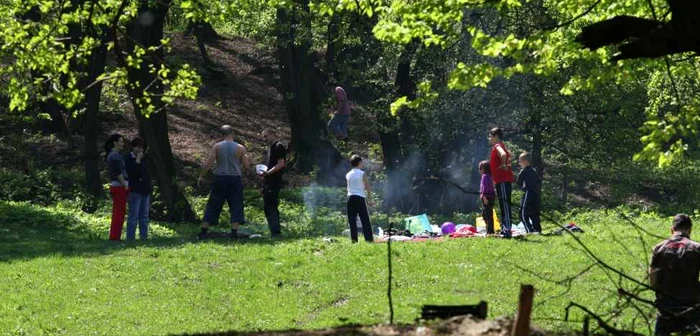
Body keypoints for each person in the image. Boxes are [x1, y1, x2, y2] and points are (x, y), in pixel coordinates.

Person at [198, 125, 251, 240]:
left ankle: (203, 232)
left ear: (222, 134)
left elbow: (209, 161)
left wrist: (201, 175)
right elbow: (247, 166)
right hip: (235, 179)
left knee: (213, 204)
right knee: (236, 205)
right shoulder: (240, 148)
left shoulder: (217, 146)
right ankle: (234, 233)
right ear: (233, 133)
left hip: (220, 178)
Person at [649, 214, 700, 335]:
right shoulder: (697, 248)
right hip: (691, 305)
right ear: (690, 230)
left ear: (672, 229)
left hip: (666, 307)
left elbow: (653, 282)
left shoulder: (659, 248)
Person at [489, 127, 515, 238]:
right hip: (501, 181)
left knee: (505, 205)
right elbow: (510, 155)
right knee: (504, 205)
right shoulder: (501, 145)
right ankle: (505, 229)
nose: (489, 139)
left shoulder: (498, 146)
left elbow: (504, 154)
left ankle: (507, 230)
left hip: (503, 180)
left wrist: (504, 164)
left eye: (491, 136)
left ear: (496, 136)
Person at [259, 128, 286, 238]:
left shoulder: (279, 146)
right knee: (267, 206)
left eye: (266, 136)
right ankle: (273, 231)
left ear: (273, 134)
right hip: (268, 181)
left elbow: (281, 164)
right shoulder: (270, 148)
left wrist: (268, 173)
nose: (264, 139)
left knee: (271, 206)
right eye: (263, 137)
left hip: (274, 181)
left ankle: (276, 233)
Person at [124, 137, 151, 241]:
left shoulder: (145, 159)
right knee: (133, 215)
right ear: (133, 147)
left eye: (142, 148)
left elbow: (146, 173)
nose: (140, 150)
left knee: (144, 216)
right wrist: (138, 160)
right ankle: (130, 238)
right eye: (138, 147)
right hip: (134, 190)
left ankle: (144, 237)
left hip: (145, 190)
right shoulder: (128, 159)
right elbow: (132, 173)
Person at [105, 134, 129, 241]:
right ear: (115, 143)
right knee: (119, 213)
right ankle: (114, 237)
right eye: (121, 142)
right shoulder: (114, 156)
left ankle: (115, 236)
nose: (123, 144)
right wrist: (124, 183)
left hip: (118, 186)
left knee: (119, 212)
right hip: (119, 187)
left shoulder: (115, 155)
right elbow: (117, 172)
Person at [346, 155, 374, 243]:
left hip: (350, 198)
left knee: (352, 220)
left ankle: (354, 240)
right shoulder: (362, 173)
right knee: (365, 219)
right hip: (359, 198)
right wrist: (370, 199)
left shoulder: (348, 174)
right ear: (359, 163)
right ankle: (369, 239)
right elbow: (368, 187)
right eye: (362, 161)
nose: (363, 163)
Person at [517, 152, 542, 234]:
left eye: (520, 161)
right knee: (535, 212)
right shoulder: (534, 170)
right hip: (536, 194)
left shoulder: (524, 171)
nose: (519, 163)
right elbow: (538, 181)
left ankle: (529, 230)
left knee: (523, 213)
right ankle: (537, 230)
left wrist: (524, 187)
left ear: (525, 161)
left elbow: (519, 182)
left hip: (528, 192)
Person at [479, 160, 496, 235]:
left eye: (480, 168)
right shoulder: (490, 176)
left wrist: (484, 197)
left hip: (487, 197)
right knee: (484, 214)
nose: (480, 170)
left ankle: (490, 231)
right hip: (490, 196)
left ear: (483, 169)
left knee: (488, 214)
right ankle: (489, 229)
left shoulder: (485, 176)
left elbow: (484, 188)